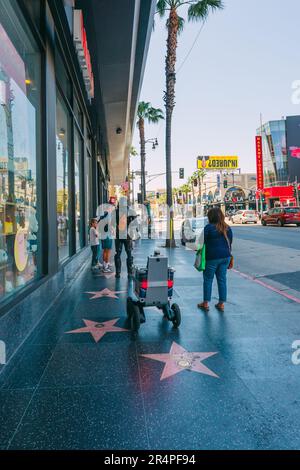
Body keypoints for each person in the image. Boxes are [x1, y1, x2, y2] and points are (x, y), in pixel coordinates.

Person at [198, 207, 233, 313]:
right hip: (225, 257)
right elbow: (230, 243)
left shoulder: (208, 228)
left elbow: (200, 242)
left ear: (210, 217)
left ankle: (205, 303)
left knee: (208, 280)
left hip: (211, 258)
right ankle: (221, 303)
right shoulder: (227, 227)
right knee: (222, 280)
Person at [114, 196, 138, 278]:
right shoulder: (131, 211)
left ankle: (118, 273)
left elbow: (111, 224)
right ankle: (130, 272)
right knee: (129, 253)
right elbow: (135, 224)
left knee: (118, 254)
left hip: (118, 235)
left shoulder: (115, 211)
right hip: (128, 235)